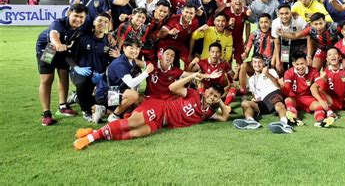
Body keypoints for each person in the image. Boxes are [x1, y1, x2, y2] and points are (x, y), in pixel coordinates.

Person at [73, 72, 229, 150]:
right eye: (210, 93)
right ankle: (90, 138)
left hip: (161, 123)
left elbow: (224, 117)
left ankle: (93, 132)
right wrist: (194, 75)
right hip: (159, 108)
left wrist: (220, 100)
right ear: (205, 90)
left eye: (215, 96)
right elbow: (172, 87)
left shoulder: (207, 112)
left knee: (135, 133)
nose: (211, 97)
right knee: (132, 123)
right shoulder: (194, 94)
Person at [36, 3, 88, 126]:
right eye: (76, 16)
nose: (78, 20)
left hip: (63, 50)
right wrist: (57, 44)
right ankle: (46, 114)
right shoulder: (58, 23)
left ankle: (63, 106)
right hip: (47, 49)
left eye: (81, 17)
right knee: (47, 79)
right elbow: (53, 35)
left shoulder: (81, 27)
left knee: (64, 76)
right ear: (69, 13)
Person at [66, 13, 119, 122]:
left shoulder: (110, 42)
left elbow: (114, 62)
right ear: (94, 22)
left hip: (100, 74)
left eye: (106, 22)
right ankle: (86, 111)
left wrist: (106, 73)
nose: (102, 24)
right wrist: (76, 68)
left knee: (114, 87)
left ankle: (114, 110)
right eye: (100, 20)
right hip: (82, 72)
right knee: (83, 82)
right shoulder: (83, 38)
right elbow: (68, 56)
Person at [94, 39, 154, 123]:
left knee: (140, 100)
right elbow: (130, 82)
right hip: (105, 94)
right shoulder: (120, 63)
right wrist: (146, 72)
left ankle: (103, 110)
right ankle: (114, 116)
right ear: (124, 48)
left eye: (137, 48)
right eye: (131, 48)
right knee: (133, 96)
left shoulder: (130, 60)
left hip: (114, 92)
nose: (135, 51)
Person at [233, 54, 290, 130]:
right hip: (263, 102)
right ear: (252, 64)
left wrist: (268, 74)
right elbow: (254, 94)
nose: (257, 64)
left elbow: (279, 86)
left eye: (259, 62)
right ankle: (251, 121)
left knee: (278, 103)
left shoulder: (271, 71)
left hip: (273, 94)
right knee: (245, 103)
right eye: (255, 62)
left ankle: (284, 123)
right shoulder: (251, 80)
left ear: (263, 63)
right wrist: (254, 99)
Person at [282, 51, 333, 127]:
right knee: (287, 100)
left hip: (307, 98)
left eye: (302, 63)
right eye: (297, 64)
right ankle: (294, 119)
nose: (300, 67)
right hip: (295, 98)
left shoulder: (314, 71)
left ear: (306, 62)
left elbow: (320, 85)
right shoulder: (288, 73)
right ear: (293, 64)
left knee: (319, 105)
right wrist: (282, 86)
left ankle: (321, 121)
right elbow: (286, 90)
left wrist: (323, 79)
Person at [314, 48, 345, 125]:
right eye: (330, 55)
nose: (333, 56)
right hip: (333, 103)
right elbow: (317, 87)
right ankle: (329, 112)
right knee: (320, 89)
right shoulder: (325, 72)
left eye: (335, 54)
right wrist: (323, 79)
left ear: (340, 57)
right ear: (327, 59)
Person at [157, 2, 199, 66]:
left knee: (190, 62)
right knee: (165, 61)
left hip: (180, 45)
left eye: (191, 13)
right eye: (186, 12)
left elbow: (192, 38)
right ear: (182, 11)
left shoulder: (195, 22)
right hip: (166, 43)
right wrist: (169, 32)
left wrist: (190, 54)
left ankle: (183, 75)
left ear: (195, 13)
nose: (188, 15)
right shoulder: (173, 19)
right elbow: (159, 35)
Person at [239, 13, 274, 90]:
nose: (263, 25)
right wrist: (245, 54)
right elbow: (248, 49)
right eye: (261, 22)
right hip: (257, 63)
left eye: (266, 22)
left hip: (270, 64)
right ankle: (243, 89)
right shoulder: (254, 34)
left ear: (270, 23)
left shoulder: (274, 34)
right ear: (259, 23)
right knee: (243, 66)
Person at [272, 4, 307, 74]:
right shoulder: (275, 22)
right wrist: (278, 61)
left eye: (286, 13)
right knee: (283, 65)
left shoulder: (299, 20)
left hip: (299, 43)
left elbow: (309, 36)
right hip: (285, 44)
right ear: (278, 14)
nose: (284, 16)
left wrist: (308, 55)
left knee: (298, 63)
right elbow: (277, 42)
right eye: (281, 14)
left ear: (290, 12)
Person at [220, 0, 251, 65]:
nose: (238, 1)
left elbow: (247, 24)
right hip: (226, 40)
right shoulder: (226, 11)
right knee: (227, 62)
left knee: (240, 62)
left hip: (239, 41)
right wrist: (228, 24)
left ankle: (238, 76)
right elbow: (219, 25)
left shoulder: (246, 11)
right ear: (231, 1)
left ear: (243, 1)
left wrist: (247, 40)